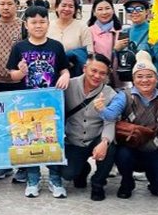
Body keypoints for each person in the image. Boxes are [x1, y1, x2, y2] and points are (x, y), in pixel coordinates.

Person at [95, 51, 158, 199]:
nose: (144, 80)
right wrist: (101, 109)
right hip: (131, 146)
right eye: (139, 76)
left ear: (157, 78)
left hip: (157, 149)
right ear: (133, 79)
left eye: (149, 76)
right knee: (122, 155)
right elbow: (110, 115)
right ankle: (127, 181)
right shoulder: (124, 96)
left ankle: (154, 181)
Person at [7, 5, 71, 198]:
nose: (38, 25)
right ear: (26, 25)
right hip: (27, 104)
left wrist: (66, 76)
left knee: (53, 138)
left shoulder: (56, 46)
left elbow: (64, 69)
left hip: (51, 104)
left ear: (48, 23)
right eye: (33, 22)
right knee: (29, 140)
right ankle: (32, 179)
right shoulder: (19, 47)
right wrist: (21, 72)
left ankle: (55, 179)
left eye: (42, 21)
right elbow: (13, 76)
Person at [49, 53, 117, 201]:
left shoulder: (110, 94)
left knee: (110, 148)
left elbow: (110, 122)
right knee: (68, 174)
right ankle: (83, 169)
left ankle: (98, 183)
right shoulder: (68, 85)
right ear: (84, 68)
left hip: (95, 138)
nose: (97, 76)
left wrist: (105, 142)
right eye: (94, 71)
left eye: (102, 73)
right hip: (73, 140)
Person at [0, 0, 28, 182]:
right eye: (2, 4)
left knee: (20, 125)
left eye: (9, 4)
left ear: (16, 5)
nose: (5, 7)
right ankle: (4, 163)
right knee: (1, 126)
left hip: (18, 83)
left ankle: (23, 166)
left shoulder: (23, 27)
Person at [119, 0, 158, 88]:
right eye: (130, 9)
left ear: (147, 11)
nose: (134, 12)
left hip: (156, 86)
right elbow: (122, 59)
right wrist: (116, 50)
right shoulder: (125, 32)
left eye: (139, 8)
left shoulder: (154, 30)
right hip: (136, 86)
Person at [47, 0, 94, 78]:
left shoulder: (82, 27)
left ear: (75, 9)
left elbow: (89, 53)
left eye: (71, 6)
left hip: (75, 74)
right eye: (64, 5)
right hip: (51, 74)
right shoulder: (48, 26)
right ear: (56, 7)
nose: (67, 9)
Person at [87, 0, 125, 88]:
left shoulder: (122, 31)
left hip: (120, 82)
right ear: (94, 12)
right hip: (98, 81)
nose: (104, 12)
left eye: (107, 8)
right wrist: (115, 50)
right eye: (100, 9)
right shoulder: (89, 32)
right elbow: (89, 58)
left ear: (113, 10)